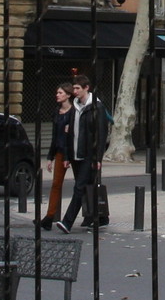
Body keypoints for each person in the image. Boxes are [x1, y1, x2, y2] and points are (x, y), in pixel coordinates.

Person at [57, 74, 109, 232]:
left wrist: (97, 157)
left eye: (78, 88)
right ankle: (100, 217)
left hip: (89, 155)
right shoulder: (75, 107)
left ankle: (67, 221)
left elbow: (101, 134)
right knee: (88, 186)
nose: (75, 91)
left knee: (79, 187)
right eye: (73, 88)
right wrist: (67, 156)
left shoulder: (97, 107)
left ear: (87, 88)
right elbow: (70, 132)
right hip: (75, 154)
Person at [42, 82, 74, 231]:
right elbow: (55, 136)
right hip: (61, 152)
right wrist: (50, 157)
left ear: (68, 95)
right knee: (56, 184)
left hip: (73, 153)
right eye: (57, 93)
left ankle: (92, 215)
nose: (57, 95)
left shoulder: (75, 112)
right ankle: (49, 216)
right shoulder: (57, 112)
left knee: (82, 185)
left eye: (60, 93)